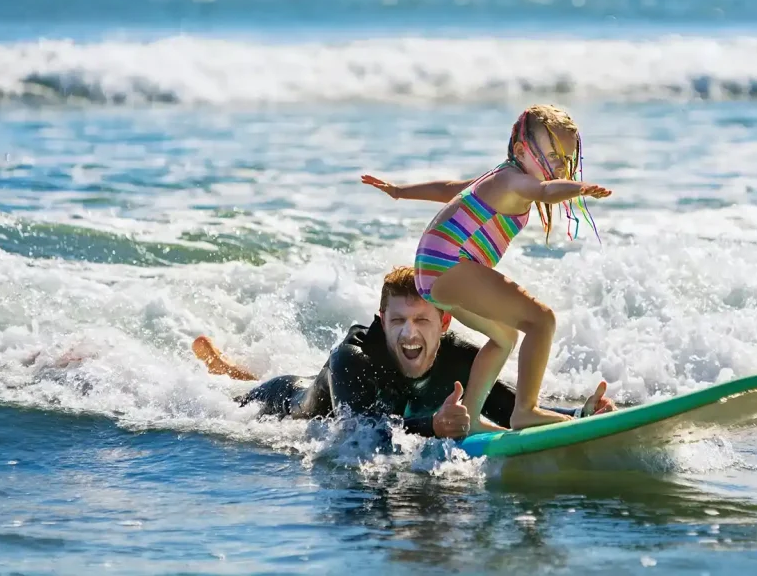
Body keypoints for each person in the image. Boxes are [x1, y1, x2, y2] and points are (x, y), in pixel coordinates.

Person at [360, 104, 612, 435]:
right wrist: (579, 188)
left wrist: (399, 192)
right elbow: (545, 192)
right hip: (449, 264)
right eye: (551, 157)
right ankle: (525, 412)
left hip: (433, 271)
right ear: (522, 150)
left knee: (504, 338)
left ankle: (472, 416)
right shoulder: (516, 180)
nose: (559, 168)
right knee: (542, 320)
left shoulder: (496, 178)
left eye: (565, 160)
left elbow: (449, 189)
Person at [193, 266, 615, 439]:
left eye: (421, 321)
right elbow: (359, 431)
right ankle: (223, 369)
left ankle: (226, 366)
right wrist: (434, 424)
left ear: (444, 322)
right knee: (230, 399)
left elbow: (507, 407)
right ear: (382, 318)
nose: (408, 334)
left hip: (383, 407)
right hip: (286, 404)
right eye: (397, 322)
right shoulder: (353, 357)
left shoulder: (458, 357)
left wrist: (578, 415)